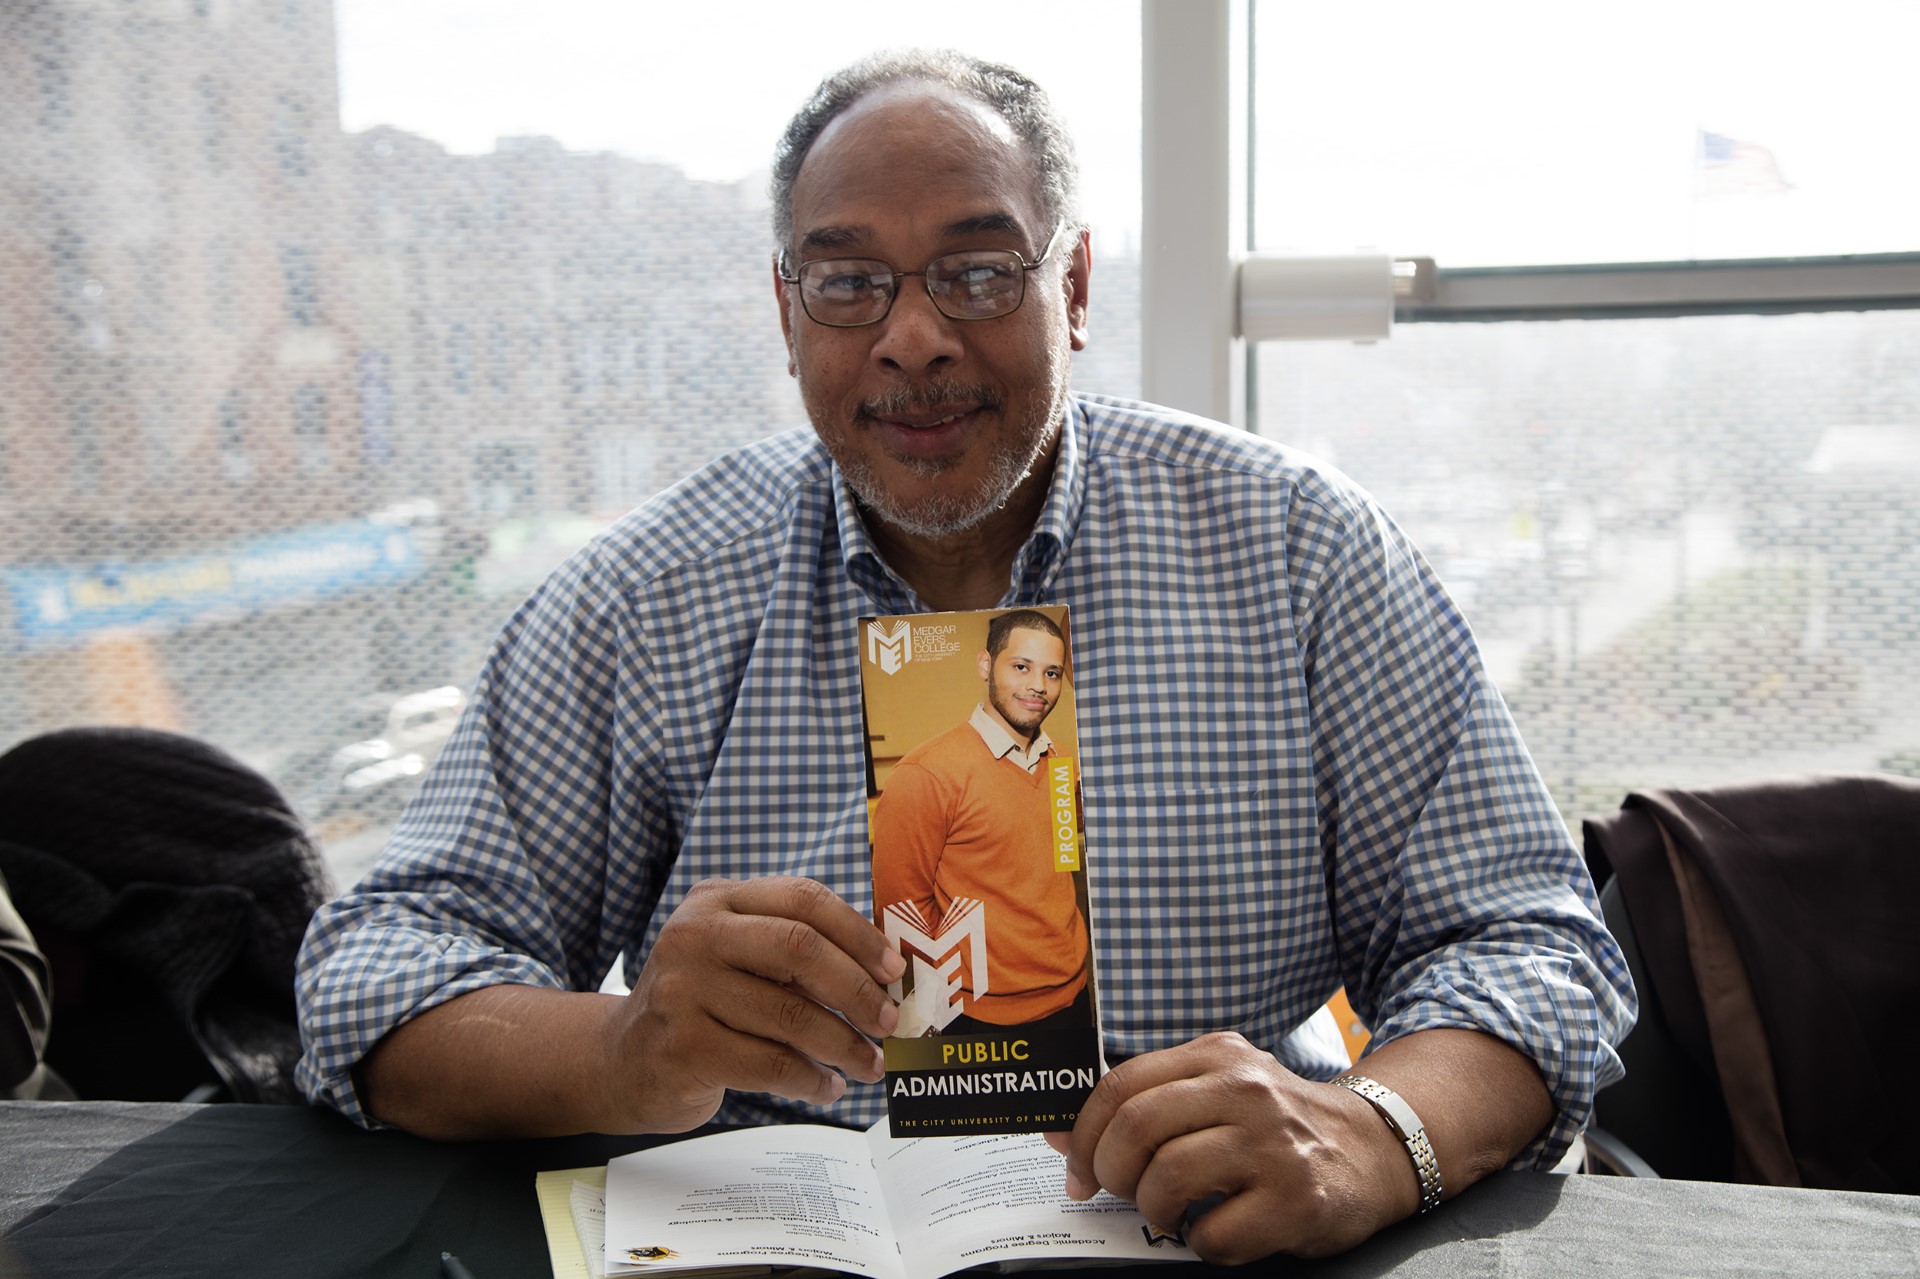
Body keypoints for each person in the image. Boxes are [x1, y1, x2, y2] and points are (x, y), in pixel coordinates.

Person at [296, 49, 1634, 1262]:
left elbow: (1532, 937)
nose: (915, 334)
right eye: (848, 281)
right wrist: (620, 1046)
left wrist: (1376, 1128)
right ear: (786, 310)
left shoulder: (1297, 554)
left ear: (1078, 285)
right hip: (765, 1240)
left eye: (979, 272)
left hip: (1207, 1235)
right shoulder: (647, 596)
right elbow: (371, 971)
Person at [870, 608, 1090, 1034]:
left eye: (1052, 673)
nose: (1037, 687)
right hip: (978, 1019)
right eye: (1021, 667)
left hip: (1074, 997)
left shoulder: (1065, 762)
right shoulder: (925, 774)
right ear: (985, 665)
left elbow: (1059, 869)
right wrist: (962, 986)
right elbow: (899, 913)